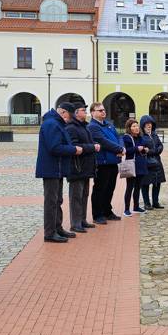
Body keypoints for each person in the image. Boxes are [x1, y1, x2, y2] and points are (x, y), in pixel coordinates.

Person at [36, 102, 82, 243]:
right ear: (62, 112)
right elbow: (54, 147)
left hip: (58, 168)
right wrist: (73, 150)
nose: (70, 119)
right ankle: (49, 233)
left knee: (57, 200)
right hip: (51, 169)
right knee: (51, 201)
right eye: (70, 115)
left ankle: (58, 227)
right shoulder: (52, 124)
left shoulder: (57, 123)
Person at [88, 102, 124, 224]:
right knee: (100, 189)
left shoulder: (109, 124)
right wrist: (119, 149)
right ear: (93, 113)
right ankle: (98, 214)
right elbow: (103, 141)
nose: (103, 112)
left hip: (113, 161)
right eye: (100, 110)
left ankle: (107, 211)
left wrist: (121, 148)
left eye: (103, 110)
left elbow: (119, 137)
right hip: (102, 162)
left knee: (110, 188)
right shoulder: (93, 127)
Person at [66, 104, 100, 233]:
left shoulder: (84, 126)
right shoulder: (71, 128)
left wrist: (93, 145)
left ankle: (82, 220)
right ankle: (75, 223)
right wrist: (92, 147)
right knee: (76, 197)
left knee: (84, 194)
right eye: (83, 110)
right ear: (75, 113)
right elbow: (74, 146)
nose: (85, 112)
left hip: (86, 167)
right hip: (77, 167)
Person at [122, 118, 148, 217]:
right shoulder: (127, 137)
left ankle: (136, 207)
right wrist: (137, 148)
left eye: (137, 126)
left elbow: (144, 147)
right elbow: (126, 150)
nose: (136, 128)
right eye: (133, 126)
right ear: (129, 128)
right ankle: (126, 209)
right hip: (131, 164)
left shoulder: (140, 137)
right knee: (129, 187)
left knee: (138, 187)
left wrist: (145, 149)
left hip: (141, 164)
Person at [139, 115, 166, 210]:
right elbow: (142, 150)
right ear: (143, 125)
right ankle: (147, 203)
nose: (149, 125)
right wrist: (153, 151)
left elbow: (160, 146)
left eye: (150, 123)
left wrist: (151, 151)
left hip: (157, 162)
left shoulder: (154, 134)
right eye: (147, 124)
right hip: (147, 163)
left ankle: (155, 202)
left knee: (157, 182)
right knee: (145, 184)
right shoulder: (141, 136)